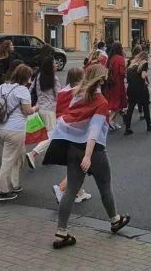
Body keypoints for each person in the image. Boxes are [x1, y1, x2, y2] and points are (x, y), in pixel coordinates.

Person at [42, 64, 130, 249]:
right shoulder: (100, 102)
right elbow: (94, 131)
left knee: (71, 189)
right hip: (94, 151)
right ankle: (115, 220)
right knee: (105, 186)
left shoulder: (77, 97)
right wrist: (88, 156)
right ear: (103, 80)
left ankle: (62, 232)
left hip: (72, 149)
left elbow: (69, 119)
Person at [0, 64, 38, 201]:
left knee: (19, 156)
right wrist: (36, 108)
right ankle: (3, 191)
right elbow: (27, 111)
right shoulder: (22, 90)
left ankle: (15, 183)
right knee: (8, 159)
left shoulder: (0, 87)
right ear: (26, 77)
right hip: (14, 130)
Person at [50, 67, 92, 204]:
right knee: (80, 164)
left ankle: (78, 193)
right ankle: (61, 188)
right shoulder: (81, 92)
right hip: (77, 132)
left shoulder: (62, 91)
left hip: (63, 131)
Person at [24, 57, 61, 169]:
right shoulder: (54, 78)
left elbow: (30, 90)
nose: (56, 65)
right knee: (53, 136)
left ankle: (48, 157)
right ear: (50, 66)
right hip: (49, 110)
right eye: (54, 63)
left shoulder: (38, 76)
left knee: (47, 134)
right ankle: (33, 154)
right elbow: (59, 94)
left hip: (39, 107)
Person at [124, 51, 151, 134]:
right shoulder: (144, 64)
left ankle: (127, 128)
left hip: (131, 88)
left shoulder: (131, 64)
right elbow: (143, 76)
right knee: (145, 106)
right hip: (141, 88)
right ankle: (149, 124)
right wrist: (146, 73)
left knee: (130, 108)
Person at [103, 42, 127, 129]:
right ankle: (109, 120)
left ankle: (112, 121)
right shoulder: (120, 58)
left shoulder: (110, 58)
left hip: (110, 83)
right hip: (118, 84)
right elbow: (121, 72)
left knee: (113, 103)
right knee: (118, 104)